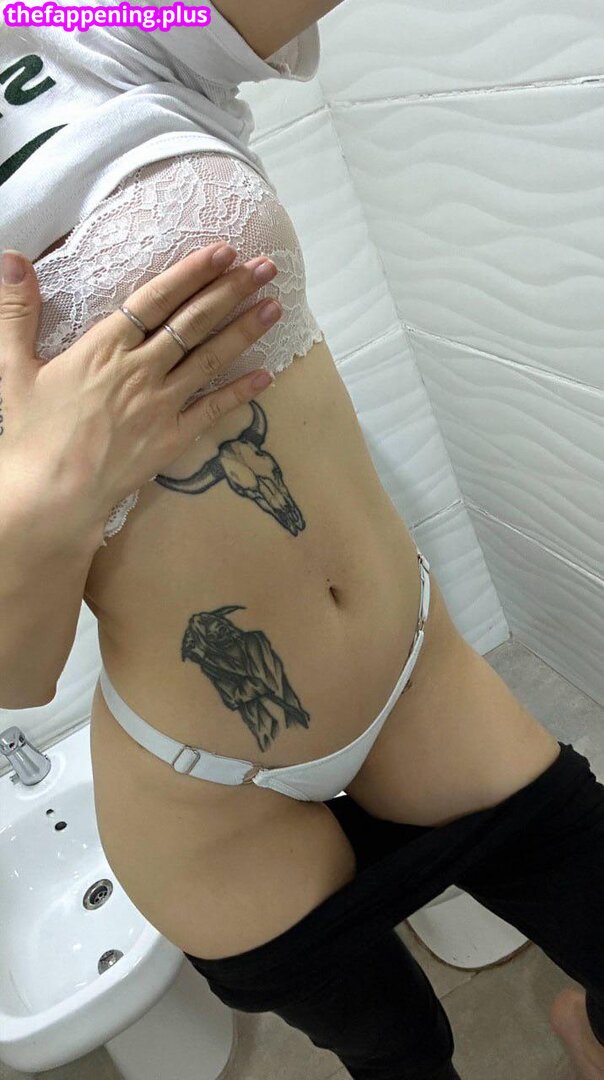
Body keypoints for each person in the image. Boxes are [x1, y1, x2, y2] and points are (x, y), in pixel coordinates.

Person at [1, 4, 603, 1078]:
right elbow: (17, 674)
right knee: (401, 1058)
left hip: (415, 672)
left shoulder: (66, 21)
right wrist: (43, 497)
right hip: (199, 789)